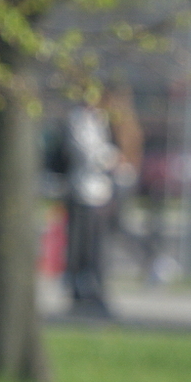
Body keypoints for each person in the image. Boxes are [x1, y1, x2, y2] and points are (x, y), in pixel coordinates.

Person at [61, 96, 119, 317]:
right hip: (83, 190)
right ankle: (79, 288)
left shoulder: (99, 119)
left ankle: (95, 288)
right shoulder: (78, 119)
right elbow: (87, 153)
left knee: (97, 246)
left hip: (99, 192)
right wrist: (110, 158)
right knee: (81, 245)